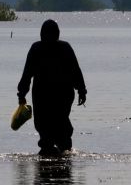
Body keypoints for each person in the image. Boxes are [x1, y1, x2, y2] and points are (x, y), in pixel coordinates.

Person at [17, 19, 87, 155]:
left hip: (51, 94)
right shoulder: (59, 48)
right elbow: (76, 71)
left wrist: (22, 94)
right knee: (53, 123)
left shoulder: (39, 48)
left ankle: (55, 148)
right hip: (54, 94)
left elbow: (27, 75)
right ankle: (59, 150)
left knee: (52, 123)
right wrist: (81, 91)